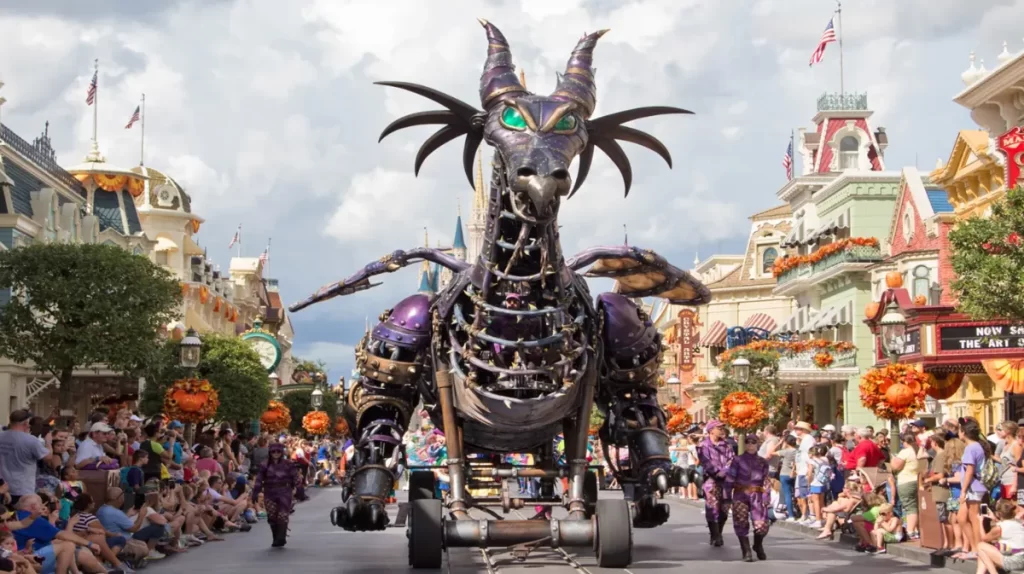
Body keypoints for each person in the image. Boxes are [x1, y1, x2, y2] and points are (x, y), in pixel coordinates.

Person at [724, 434, 771, 562]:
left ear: (757, 444)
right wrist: (726, 497)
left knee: (762, 524)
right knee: (741, 522)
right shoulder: (737, 460)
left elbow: (766, 480)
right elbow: (730, 478)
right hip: (740, 494)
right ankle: (746, 550)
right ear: (744, 444)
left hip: (757, 495)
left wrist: (767, 496)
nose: (750, 445)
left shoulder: (762, 462)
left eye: (753, 442)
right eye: (748, 442)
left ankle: (757, 545)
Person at [956, 417, 991, 561]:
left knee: (974, 518)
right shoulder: (975, 446)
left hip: (973, 486)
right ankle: (974, 547)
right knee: (961, 518)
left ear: (963, 432)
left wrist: (963, 490)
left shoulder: (972, 448)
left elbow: (970, 470)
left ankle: (978, 548)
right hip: (972, 486)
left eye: (959, 430)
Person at [252, 443, 300, 548]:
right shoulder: (264, 465)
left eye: (278, 451)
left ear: (281, 452)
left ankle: (281, 538)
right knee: (272, 516)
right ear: (270, 452)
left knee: (283, 515)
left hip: (285, 492)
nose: (276, 453)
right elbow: (259, 479)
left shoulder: (288, 464)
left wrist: (299, 489)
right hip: (269, 492)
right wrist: (256, 492)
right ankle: (275, 537)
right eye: (273, 451)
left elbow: (295, 477)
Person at [0, 410, 51, 506]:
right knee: (23, 517)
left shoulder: (1, 436)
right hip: (23, 489)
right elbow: (48, 457)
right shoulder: (31, 440)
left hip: (3, 487)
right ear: (26, 423)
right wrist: (48, 442)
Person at [698, 420, 735, 547]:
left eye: (722, 427)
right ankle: (715, 535)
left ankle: (719, 532)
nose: (721, 430)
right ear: (711, 430)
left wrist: (725, 471)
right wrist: (716, 472)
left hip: (726, 480)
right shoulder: (703, 446)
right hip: (711, 480)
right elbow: (705, 462)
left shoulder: (727, 445)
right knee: (713, 508)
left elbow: (731, 460)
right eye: (719, 428)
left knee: (725, 509)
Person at [975, 498, 1024, 574]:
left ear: (998, 514)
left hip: (1014, 561)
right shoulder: (1018, 521)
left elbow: (984, 539)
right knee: (983, 553)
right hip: (1020, 557)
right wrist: (994, 518)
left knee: (980, 546)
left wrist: (980, 521)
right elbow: (1007, 526)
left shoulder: (999, 528)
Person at [891, 432, 924, 540]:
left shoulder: (906, 452)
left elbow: (896, 467)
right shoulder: (919, 450)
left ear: (904, 442)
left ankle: (910, 531)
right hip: (917, 480)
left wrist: (893, 459)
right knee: (916, 506)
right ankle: (916, 529)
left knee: (910, 507)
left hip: (906, 481)